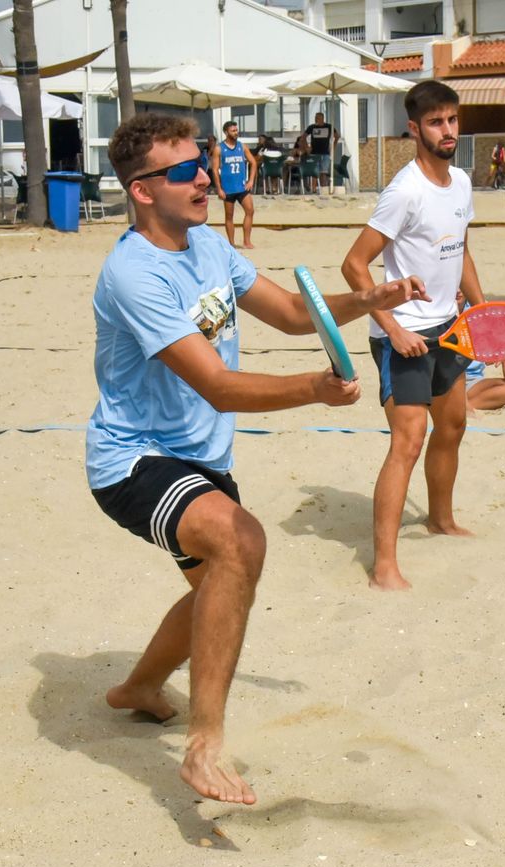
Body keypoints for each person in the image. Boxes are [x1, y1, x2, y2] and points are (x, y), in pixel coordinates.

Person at [87, 111, 426, 804]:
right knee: (241, 543)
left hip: (201, 459)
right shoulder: (133, 274)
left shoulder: (209, 245)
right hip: (133, 459)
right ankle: (205, 747)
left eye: (202, 161)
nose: (206, 176)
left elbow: (298, 315)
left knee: (218, 586)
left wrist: (369, 299)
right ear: (143, 190)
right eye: (186, 170)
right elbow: (214, 383)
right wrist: (314, 390)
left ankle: (140, 685)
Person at [341, 80, 481, 591]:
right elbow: (354, 266)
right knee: (408, 441)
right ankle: (384, 567)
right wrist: (393, 328)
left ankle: (441, 520)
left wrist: (482, 312)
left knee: (454, 425)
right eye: (436, 122)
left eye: (452, 120)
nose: (448, 130)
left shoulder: (462, 183)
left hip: (448, 327)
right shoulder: (404, 191)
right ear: (415, 128)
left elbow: (459, 250)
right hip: (404, 335)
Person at [210, 121, 258, 249]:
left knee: (250, 211)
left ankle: (247, 241)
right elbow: (215, 170)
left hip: (242, 187)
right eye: (233, 130)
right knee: (229, 217)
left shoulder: (242, 147)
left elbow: (253, 163)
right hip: (228, 188)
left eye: (237, 130)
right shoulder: (219, 148)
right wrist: (219, 188)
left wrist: (251, 180)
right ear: (226, 132)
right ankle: (231, 243)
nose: (236, 133)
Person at [302, 111, 337, 192]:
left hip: (325, 153)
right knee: (315, 172)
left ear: (322, 118)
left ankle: (323, 188)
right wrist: (307, 147)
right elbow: (303, 137)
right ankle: (313, 188)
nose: (316, 119)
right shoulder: (312, 127)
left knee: (323, 172)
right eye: (315, 118)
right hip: (314, 153)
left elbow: (337, 136)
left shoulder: (328, 126)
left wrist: (333, 147)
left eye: (318, 118)